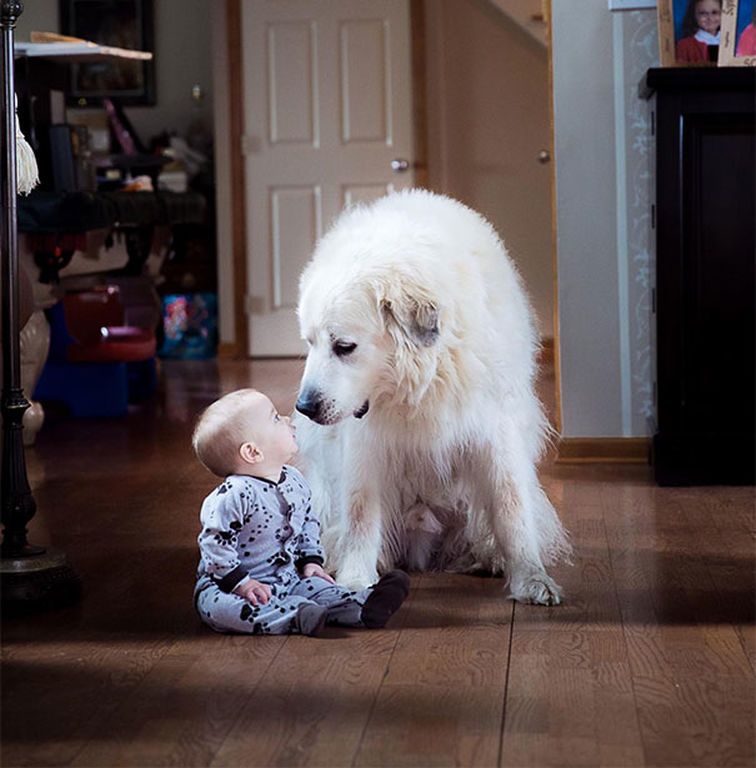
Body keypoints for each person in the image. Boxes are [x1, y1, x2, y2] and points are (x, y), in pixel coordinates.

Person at [192, 388, 410, 636]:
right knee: (220, 609)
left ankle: (361, 606)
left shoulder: (293, 480)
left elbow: (307, 523)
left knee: (319, 589)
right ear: (253, 452)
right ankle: (294, 617)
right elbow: (214, 544)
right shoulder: (232, 496)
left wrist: (311, 561)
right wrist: (241, 583)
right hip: (232, 585)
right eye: (275, 418)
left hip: (288, 578)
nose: (287, 418)